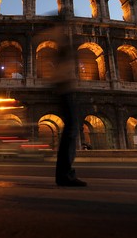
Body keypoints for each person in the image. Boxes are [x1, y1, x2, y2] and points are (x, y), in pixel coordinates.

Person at [43, 22, 87, 187]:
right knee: (71, 131)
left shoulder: (61, 44)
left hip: (66, 89)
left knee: (71, 130)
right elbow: (60, 70)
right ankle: (65, 175)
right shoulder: (61, 44)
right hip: (65, 89)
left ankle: (64, 174)